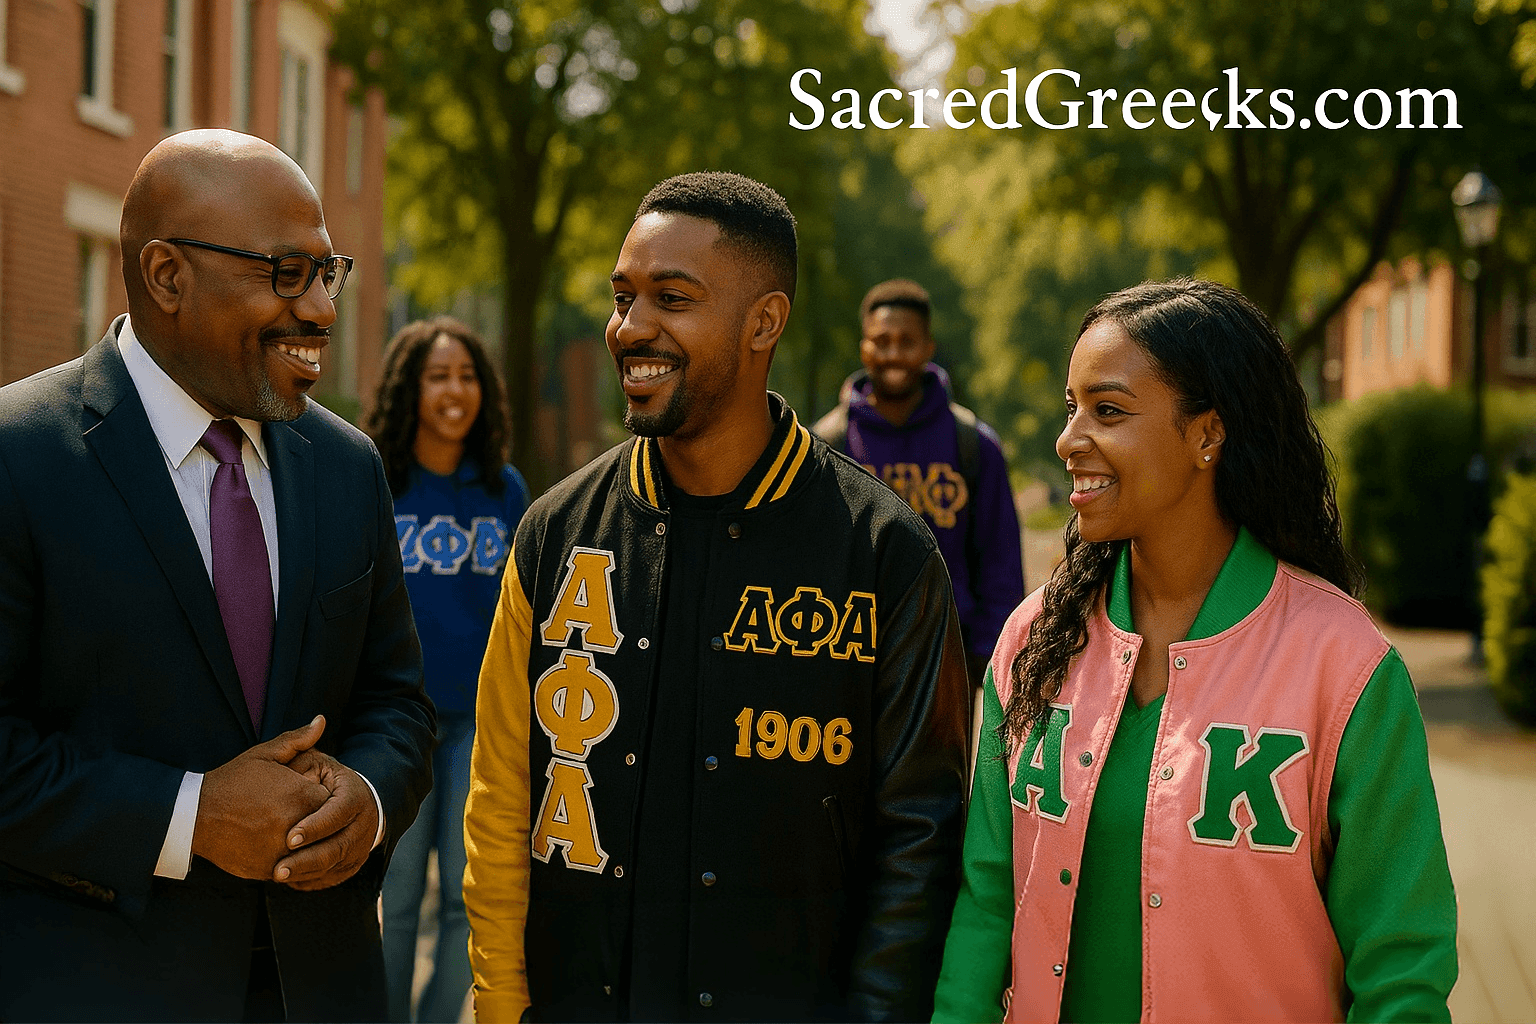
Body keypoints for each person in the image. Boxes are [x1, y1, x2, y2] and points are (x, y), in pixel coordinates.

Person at [463, 172, 970, 1022]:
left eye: (673, 297)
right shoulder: (553, 533)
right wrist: (503, 1006)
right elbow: (501, 802)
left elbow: (918, 842)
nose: (631, 328)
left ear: (764, 322)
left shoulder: (883, 554)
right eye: (623, 296)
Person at [932, 279, 1458, 1023]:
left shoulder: (1345, 668)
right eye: (1071, 407)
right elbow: (986, 904)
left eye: (1107, 411)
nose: (1070, 438)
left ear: (1206, 434)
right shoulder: (1030, 642)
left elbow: (1402, 967)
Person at [0, 129, 437, 1022]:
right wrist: (189, 816)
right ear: (167, 276)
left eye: (328, 272)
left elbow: (397, 702)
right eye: (286, 274)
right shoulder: (18, 459)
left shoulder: (349, 466)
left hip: (326, 992)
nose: (320, 309)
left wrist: (368, 795)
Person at [366, 316, 530, 1023]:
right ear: (411, 389)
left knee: (469, 897)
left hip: (480, 725)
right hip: (397, 723)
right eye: (438, 376)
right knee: (397, 900)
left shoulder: (505, 489)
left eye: (467, 376)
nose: (454, 390)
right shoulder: (375, 480)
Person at [813, 280, 1024, 687]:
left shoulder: (974, 444)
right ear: (863, 348)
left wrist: (990, 656)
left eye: (906, 341)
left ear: (928, 348)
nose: (893, 353)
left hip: (947, 657)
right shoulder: (826, 445)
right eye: (881, 341)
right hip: (847, 660)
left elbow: (1000, 561)